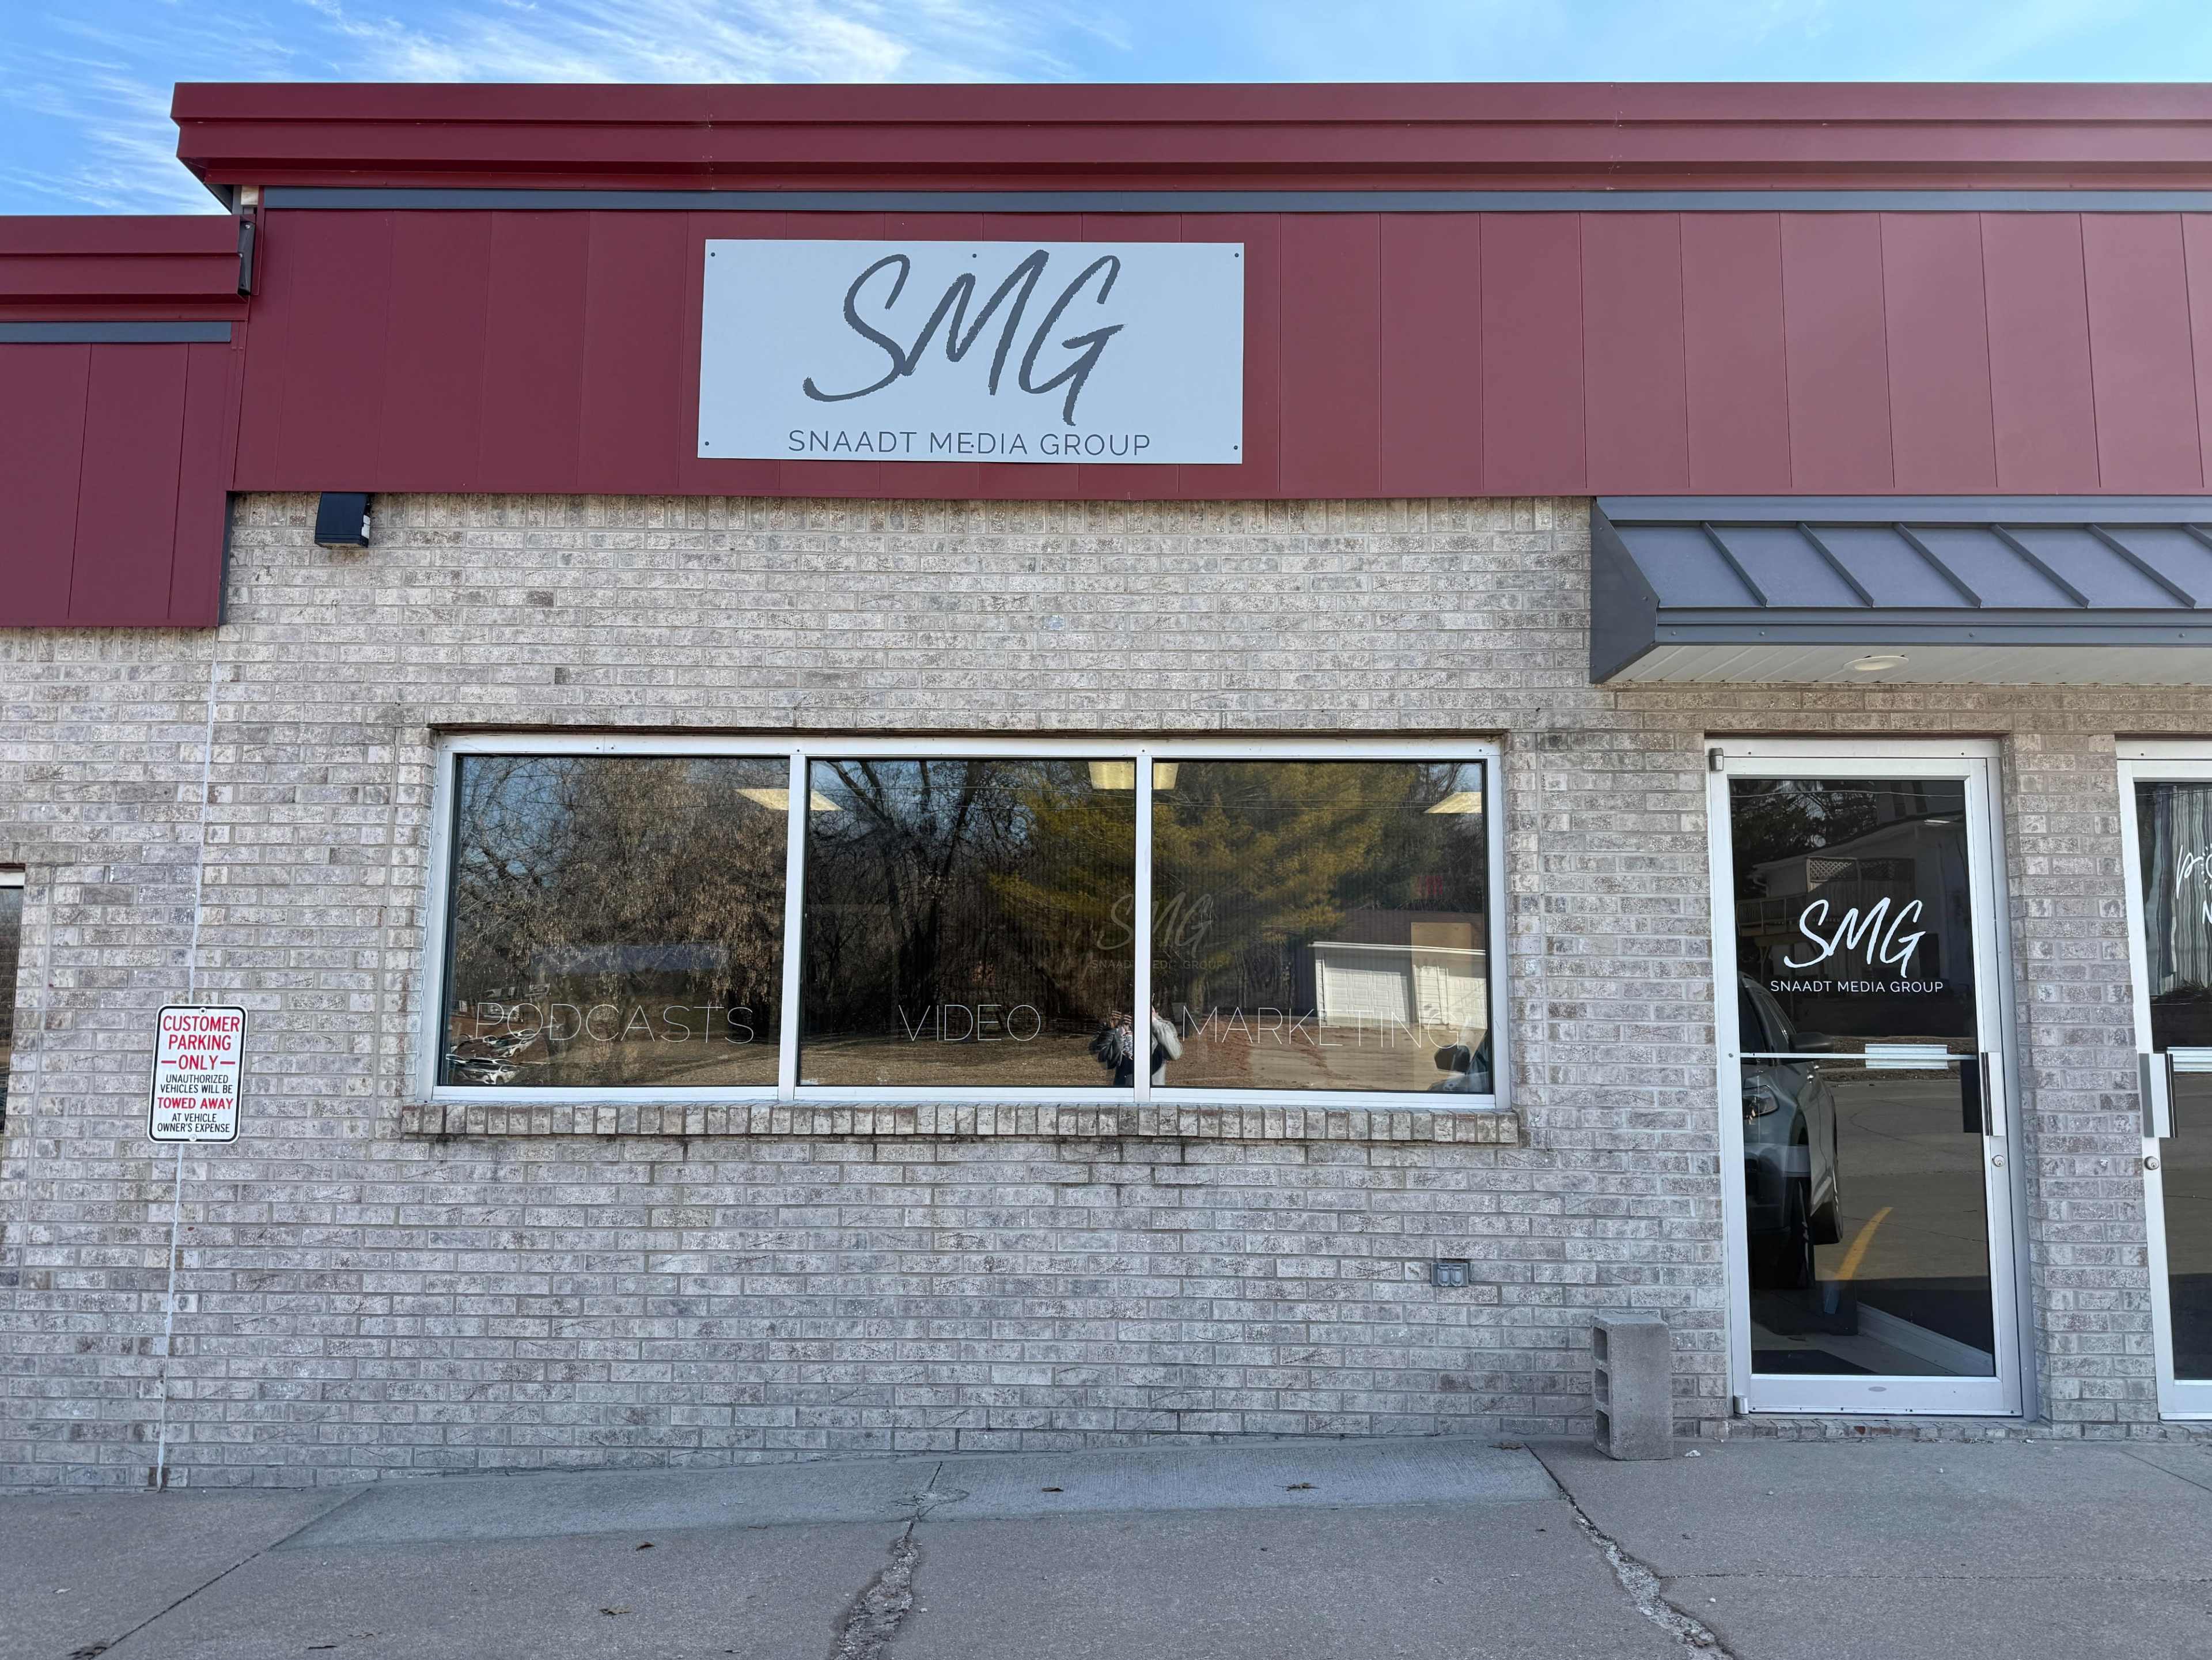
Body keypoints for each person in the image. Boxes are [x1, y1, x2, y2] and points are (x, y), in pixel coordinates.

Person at [1090, 1007, 1183, 1087]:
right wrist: (1111, 1029)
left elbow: (1175, 1054)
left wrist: (1154, 1023)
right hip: (1124, 1090)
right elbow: (1105, 1061)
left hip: (1154, 1091)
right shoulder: (1120, 1026)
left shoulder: (1164, 1026)